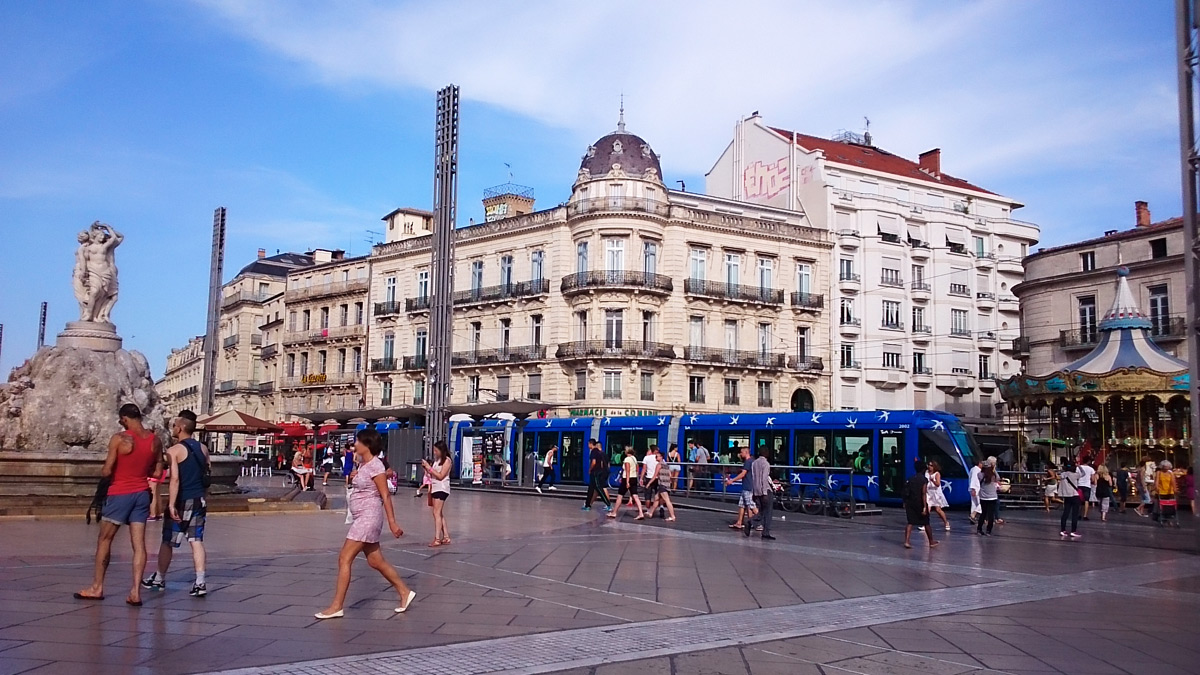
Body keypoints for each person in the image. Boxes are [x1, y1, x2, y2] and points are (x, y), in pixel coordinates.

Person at [315, 429, 415, 619]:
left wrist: (393, 523)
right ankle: (404, 592)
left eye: (357, 442)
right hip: (362, 516)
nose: (354, 445)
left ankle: (336, 606)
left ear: (367, 444)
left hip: (368, 518)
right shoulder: (364, 464)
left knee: (344, 558)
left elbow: (385, 495)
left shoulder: (376, 465)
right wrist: (356, 474)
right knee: (375, 561)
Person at [75, 403, 163, 607]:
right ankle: (135, 592)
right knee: (139, 545)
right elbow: (158, 472)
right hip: (142, 494)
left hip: (120, 494)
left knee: (105, 540)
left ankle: (97, 588)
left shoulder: (119, 439)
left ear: (125, 419)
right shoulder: (155, 440)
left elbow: (107, 470)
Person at [142, 411, 210, 596]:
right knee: (196, 541)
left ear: (180, 428)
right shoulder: (203, 449)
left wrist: (171, 504)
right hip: (198, 500)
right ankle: (200, 582)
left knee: (168, 541)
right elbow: (206, 476)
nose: (172, 428)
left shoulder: (174, 451)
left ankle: (160, 578)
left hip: (182, 500)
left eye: (174, 425)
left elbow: (175, 479)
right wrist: (203, 497)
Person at [422, 441, 453, 546]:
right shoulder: (437, 461)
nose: (434, 452)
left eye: (436, 450)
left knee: (436, 512)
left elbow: (441, 476)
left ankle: (437, 538)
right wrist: (426, 469)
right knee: (438, 513)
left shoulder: (447, 461)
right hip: (435, 487)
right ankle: (446, 536)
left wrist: (429, 468)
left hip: (442, 488)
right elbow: (433, 474)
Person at [903, 459, 938, 549]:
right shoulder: (923, 480)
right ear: (923, 469)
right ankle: (931, 541)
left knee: (910, 522)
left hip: (910, 503)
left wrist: (904, 502)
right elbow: (923, 493)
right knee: (926, 522)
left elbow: (906, 492)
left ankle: (907, 541)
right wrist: (925, 507)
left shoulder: (910, 479)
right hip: (919, 503)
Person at [724, 446, 758, 531]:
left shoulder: (748, 462)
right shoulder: (752, 461)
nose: (740, 454)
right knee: (742, 505)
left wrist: (732, 480)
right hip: (747, 486)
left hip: (748, 487)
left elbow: (743, 474)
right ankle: (739, 523)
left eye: (741, 452)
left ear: (746, 452)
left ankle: (760, 522)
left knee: (751, 505)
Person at [607, 447, 645, 520]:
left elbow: (627, 471)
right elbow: (637, 468)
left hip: (627, 479)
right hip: (633, 478)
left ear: (627, 451)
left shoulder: (627, 459)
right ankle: (641, 513)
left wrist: (627, 482)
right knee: (635, 496)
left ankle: (614, 512)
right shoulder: (634, 458)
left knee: (620, 496)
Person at [747, 447, 774, 540]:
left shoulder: (754, 463)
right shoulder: (766, 464)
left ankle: (751, 522)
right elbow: (764, 479)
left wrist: (754, 492)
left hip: (756, 491)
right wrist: (765, 493)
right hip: (765, 491)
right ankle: (765, 532)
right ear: (766, 453)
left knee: (761, 511)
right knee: (768, 512)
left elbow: (753, 478)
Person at [648, 446, 677, 522]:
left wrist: (648, 483)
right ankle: (650, 513)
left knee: (667, 500)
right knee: (656, 498)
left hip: (662, 484)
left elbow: (655, 476)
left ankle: (672, 516)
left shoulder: (659, 465)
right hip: (667, 484)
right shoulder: (666, 465)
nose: (656, 457)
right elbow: (670, 475)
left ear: (661, 457)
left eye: (657, 456)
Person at [583, 439, 612, 511]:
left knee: (599, 488)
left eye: (588, 444)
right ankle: (587, 505)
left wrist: (590, 469)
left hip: (595, 472)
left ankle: (608, 504)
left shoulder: (593, 452)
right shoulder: (599, 452)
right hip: (598, 472)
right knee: (591, 489)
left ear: (591, 444)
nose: (588, 446)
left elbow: (594, 462)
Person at [1056, 459, 1083, 538]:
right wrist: (1079, 466)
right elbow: (1083, 473)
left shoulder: (1063, 474)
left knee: (1065, 513)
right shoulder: (1075, 475)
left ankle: (1063, 530)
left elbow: (1057, 476)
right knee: (1075, 514)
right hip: (1074, 495)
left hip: (1067, 496)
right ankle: (1073, 531)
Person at [976, 459, 1000, 536]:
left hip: (983, 497)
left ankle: (979, 529)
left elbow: (979, 477)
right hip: (992, 497)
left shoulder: (980, 474)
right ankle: (988, 531)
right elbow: (998, 478)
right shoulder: (993, 475)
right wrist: (994, 469)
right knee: (991, 515)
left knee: (983, 514)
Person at [925, 460, 950, 531]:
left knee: (938, 509)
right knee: (927, 509)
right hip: (928, 492)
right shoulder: (926, 473)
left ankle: (946, 522)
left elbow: (938, 484)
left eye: (931, 465)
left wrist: (933, 480)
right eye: (929, 465)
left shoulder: (937, 474)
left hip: (935, 493)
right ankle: (925, 524)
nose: (929, 467)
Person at [1154, 460, 1179, 526]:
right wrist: (1156, 487)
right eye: (1165, 466)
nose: (1166, 468)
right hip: (1161, 492)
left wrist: (1175, 490)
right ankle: (1163, 519)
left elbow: (1173, 482)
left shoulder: (1171, 473)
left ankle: (1169, 519)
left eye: (1167, 466)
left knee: (1169, 507)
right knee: (1162, 507)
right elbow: (1157, 481)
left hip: (1170, 492)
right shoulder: (1159, 473)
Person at [967, 458, 983, 525]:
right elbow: (973, 479)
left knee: (974, 503)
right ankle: (973, 514)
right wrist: (973, 488)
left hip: (973, 489)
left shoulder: (972, 469)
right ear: (979, 463)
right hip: (976, 489)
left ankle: (973, 517)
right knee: (981, 503)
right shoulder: (976, 470)